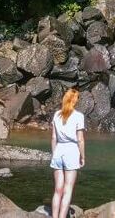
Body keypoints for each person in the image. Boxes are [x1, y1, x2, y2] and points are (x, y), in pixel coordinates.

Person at [49, 88, 86, 218]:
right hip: (71, 151)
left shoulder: (56, 115)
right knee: (67, 190)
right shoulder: (78, 116)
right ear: (75, 101)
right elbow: (80, 140)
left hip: (59, 150)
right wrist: (83, 156)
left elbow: (54, 138)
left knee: (58, 190)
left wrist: (54, 154)